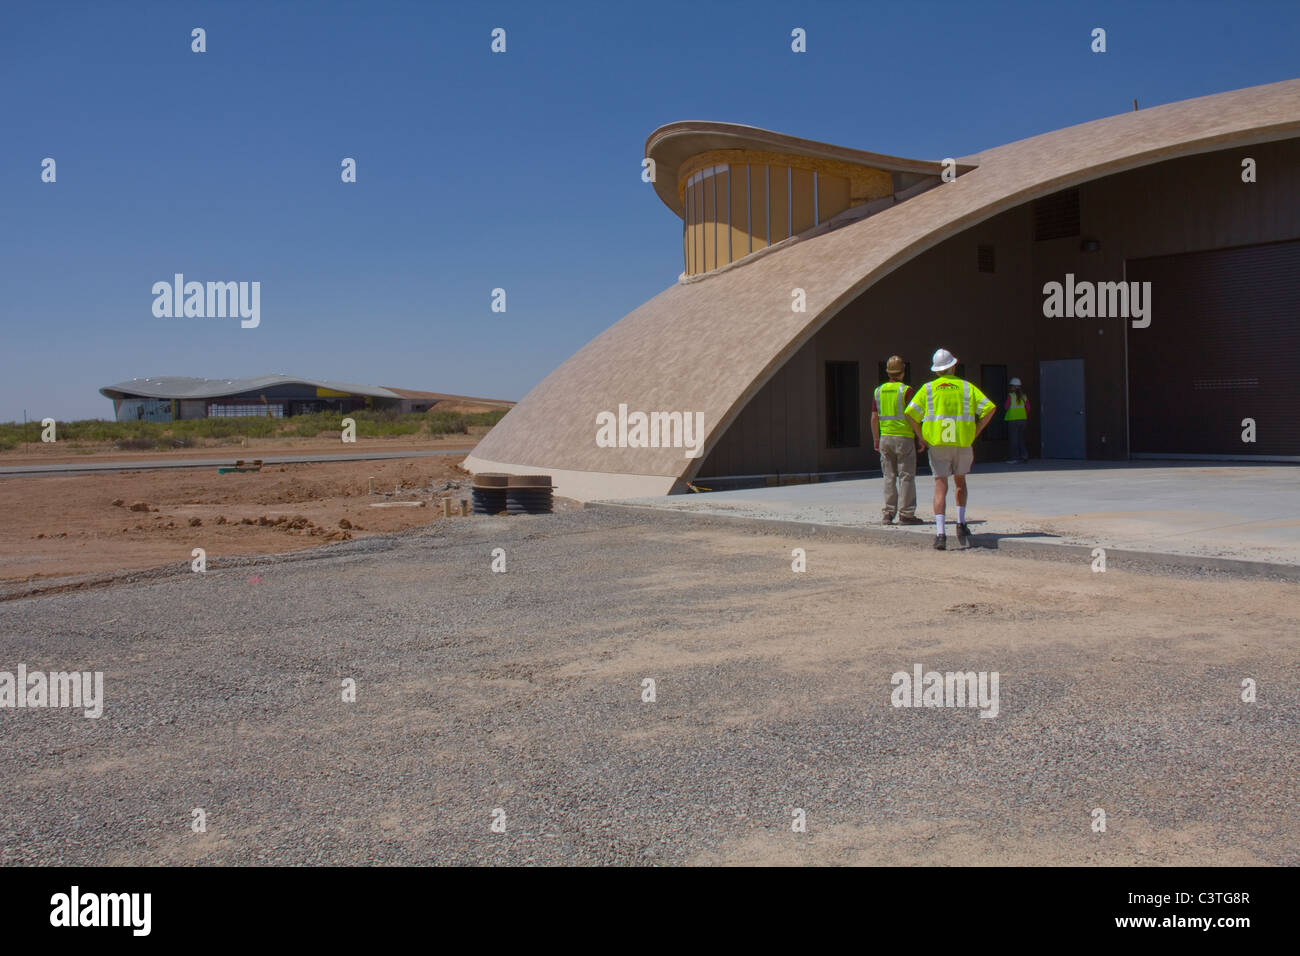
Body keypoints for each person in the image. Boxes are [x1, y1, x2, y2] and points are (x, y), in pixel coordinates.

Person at [905, 348, 996, 550]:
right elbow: (989, 408)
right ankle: (961, 524)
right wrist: (976, 430)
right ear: (953, 366)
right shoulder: (966, 388)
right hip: (962, 442)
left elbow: (910, 413)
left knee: (940, 486)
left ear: (937, 370)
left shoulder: (928, 389)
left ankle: (940, 534)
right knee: (960, 484)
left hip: (937, 444)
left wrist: (922, 437)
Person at [870, 355, 923, 525]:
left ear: (888, 372)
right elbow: (912, 416)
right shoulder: (906, 391)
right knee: (906, 476)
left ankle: (888, 513)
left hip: (885, 438)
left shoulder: (879, 391)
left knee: (889, 476)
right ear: (903, 372)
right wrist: (920, 437)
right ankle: (906, 514)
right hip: (904, 438)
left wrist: (876, 439)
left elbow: (873, 418)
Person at [1004, 377, 1030, 463]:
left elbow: (1006, 407)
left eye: (1011, 386)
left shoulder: (1010, 396)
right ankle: (1024, 456)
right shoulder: (1024, 396)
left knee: (1013, 440)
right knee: (1021, 438)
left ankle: (1014, 458)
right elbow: (1028, 408)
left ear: (1014, 387)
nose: (1010, 387)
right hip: (1023, 420)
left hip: (1013, 420)